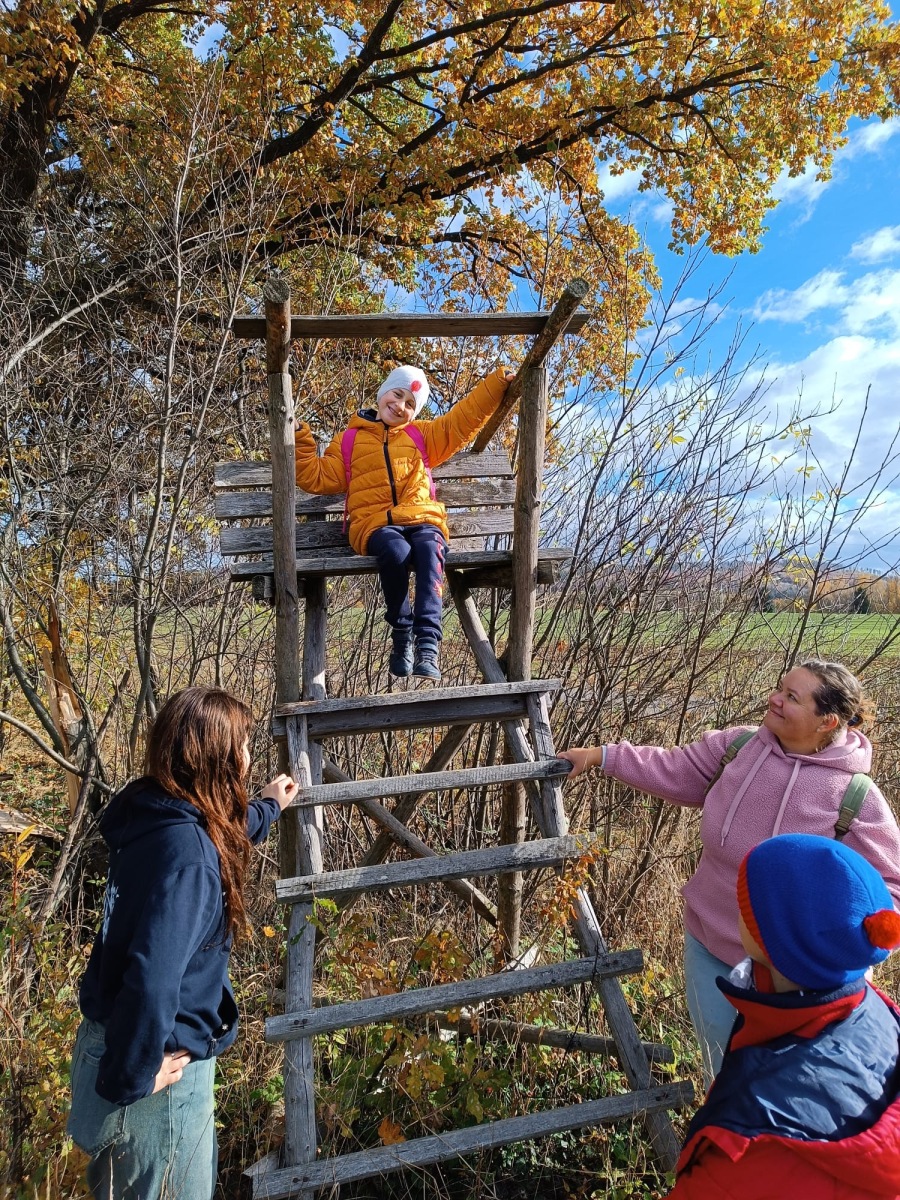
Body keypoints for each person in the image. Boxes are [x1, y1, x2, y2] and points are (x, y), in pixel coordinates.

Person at [558, 659, 900, 1082]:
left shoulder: (855, 796)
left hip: (797, 979)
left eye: (792, 697)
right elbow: (675, 769)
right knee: (721, 1069)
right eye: (780, 688)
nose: (775, 699)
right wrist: (601, 756)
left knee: (787, 1084)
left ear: (827, 721)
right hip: (710, 946)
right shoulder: (739, 747)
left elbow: (888, 891)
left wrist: (844, 949)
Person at [67, 687, 297, 1200]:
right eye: (241, 745)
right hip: (155, 1077)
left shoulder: (151, 817)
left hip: (107, 1044)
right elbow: (151, 981)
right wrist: (134, 1078)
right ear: (215, 758)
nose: (247, 756)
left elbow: (217, 833)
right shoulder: (190, 859)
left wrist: (268, 806)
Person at [668, 833, 900, 1199]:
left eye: (747, 904)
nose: (739, 908)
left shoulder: (737, 1163)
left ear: (768, 941)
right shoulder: (883, 1013)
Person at [294, 363, 513, 681]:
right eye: (396, 395)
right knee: (395, 551)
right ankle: (401, 633)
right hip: (375, 524)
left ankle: (428, 643)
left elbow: (462, 420)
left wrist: (496, 383)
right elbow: (315, 476)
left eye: (410, 404)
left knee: (429, 549)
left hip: (422, 518)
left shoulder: (421, 435)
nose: (400, 406)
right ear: (382, 393)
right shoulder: (349, 441)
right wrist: (299, 438)